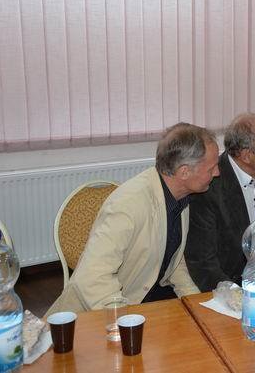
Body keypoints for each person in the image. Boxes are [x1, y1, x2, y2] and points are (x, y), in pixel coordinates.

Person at [47, 123, 220, 314]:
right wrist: (125, 321)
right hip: (96, 313)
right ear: (184, 172)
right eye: (211, 168)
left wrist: (196, 303)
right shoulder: (128, 205)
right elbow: (92, 277)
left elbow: (174, 260)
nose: (217, 173)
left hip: (144, 300)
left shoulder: (179, 196)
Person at [185, 113, 255, 291]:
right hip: (230, 282)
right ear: (246, 155)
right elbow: (202, 260)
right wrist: (234, 294)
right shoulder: (210, 184)